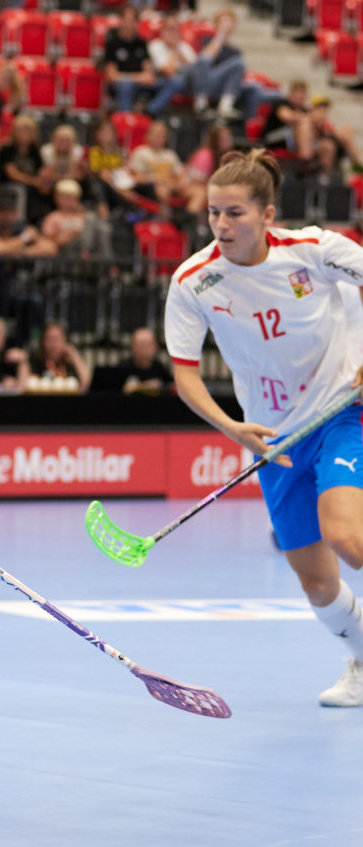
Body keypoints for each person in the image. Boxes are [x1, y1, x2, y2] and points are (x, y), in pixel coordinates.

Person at [165, 148, 363, 711]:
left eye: (235, 214)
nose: (221, 226)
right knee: (319, 585)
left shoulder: (315, 250)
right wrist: (232, 428)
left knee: (348, 538)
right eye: (213, 214)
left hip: (340, 414)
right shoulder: (193, 281)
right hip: (272, 441)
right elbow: (184, 374)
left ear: (268, 214)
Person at [102, 5, 157, 114]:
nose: (129, 24)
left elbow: (149, 75)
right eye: (126, 20)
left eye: (132, 21)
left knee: (173, 82)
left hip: (140, 85)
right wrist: (136, 78)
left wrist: (136, 78)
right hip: (120, 86)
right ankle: (126, 120)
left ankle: (151, 111)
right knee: (125, 85)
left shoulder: (142, 43)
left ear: (137, 23)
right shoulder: (113, 43)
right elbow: (111, 75)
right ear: (120, 21)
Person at [40, 179, 112, 259]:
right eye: (66, 197)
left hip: (91, 251)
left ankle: (107, 261)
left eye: (73, 198)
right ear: (57, 198)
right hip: (66, 252)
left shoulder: (84, 215)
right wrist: (68, 236)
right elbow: (48, 243)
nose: (69, 201)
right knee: (90, 218)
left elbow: (102, 222)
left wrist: (81, 210)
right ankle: (86, 252)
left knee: (103, 227)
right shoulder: (53, 217)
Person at [25, 321, 91, 392]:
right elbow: (24, 387)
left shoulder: (70, 365)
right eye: (49, 339)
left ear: (64, 341)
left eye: (56, 339)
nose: (53, 344)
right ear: (43, 342)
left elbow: (86, 384)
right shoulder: (36, 362)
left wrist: (74, 356)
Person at [111, 327, 172, 395]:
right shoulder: (122, 368)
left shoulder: (159, 368)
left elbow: (171, 387)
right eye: (138, 344)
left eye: (146, 345)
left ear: (155, 347)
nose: (142, 349)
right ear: (132, 346)